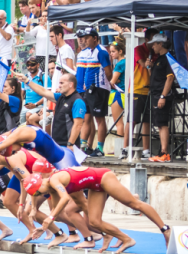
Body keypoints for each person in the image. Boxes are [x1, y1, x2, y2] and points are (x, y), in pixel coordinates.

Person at [23, 167, 171, 254]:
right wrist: (44, 227)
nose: (40, 194)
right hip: (94, 186)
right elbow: (58, 212)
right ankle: (126, 239)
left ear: (40, 184)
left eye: (38, 192)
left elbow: (65, 199)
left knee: (134, 204)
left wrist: (49, 217)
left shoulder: (54, 180)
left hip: (103, 177)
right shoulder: (51, 189)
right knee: (94, 221)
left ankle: (165, 230)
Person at [16, 71, 85, 149]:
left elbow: (78, 125)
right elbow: (43, 91)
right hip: (57, 144)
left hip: (69, 146)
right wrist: (27, 81)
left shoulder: (77, 101)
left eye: (62, 83)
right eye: (59, 83)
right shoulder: (61, 97)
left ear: (71, 84)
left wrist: (70, 144)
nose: (59, 86)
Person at [75, 28, 112, 158]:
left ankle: (100, 148)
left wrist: (109, 84)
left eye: (87, 37)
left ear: (95, 38)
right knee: (86, 118)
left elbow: (108, 71)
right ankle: (83, 147)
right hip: (89, 90)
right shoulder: (90, 51)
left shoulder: (101, 52)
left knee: (99, 119)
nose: (84, 40)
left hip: (99, 89)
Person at [127, 28, 158, 160]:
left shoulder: (156, 51)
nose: (156, 42)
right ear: (147, 39)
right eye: (153, 39)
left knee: (147, 120)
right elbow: (142, 63)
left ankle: (146, 150)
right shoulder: (138, 49)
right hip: (136, 88)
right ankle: (125, 148)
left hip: (149, 89)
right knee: (132, 119)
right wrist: (149, 64)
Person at [147, 34, 176, 163]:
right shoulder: (159, 59)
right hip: (155, 94)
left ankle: (164, 152)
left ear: (161, 44)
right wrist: (150, 67)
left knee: (162, 123)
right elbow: (154, 77)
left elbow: (170, 78)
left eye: (154, 44)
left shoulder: (168, 59)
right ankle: (162, 152)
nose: (152, 46)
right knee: (159, 123)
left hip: (161, 95)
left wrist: (163, 96)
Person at [107, 40, 127, 158]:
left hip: (118, 94)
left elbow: (112, 82)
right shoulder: (126, 62)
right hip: (124, 93)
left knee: (118, 123)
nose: (111, 54)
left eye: (113, 52)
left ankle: (119, 149)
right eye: (110, 52)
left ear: (120, 51)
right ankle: (122, 148)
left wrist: (114, 81)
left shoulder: (119, 64)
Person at [20, 57, 47, 125]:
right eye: (28, 65)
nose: (30, 67)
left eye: (32, 65)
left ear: (38, 65)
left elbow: (48, 95)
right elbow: (22, 93)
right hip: (27, 106)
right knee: (20, 117)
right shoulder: (25, 77)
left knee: (28, 115)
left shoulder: (44, 76)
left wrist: (35, 104)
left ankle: (37, 134)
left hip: (39, 106)